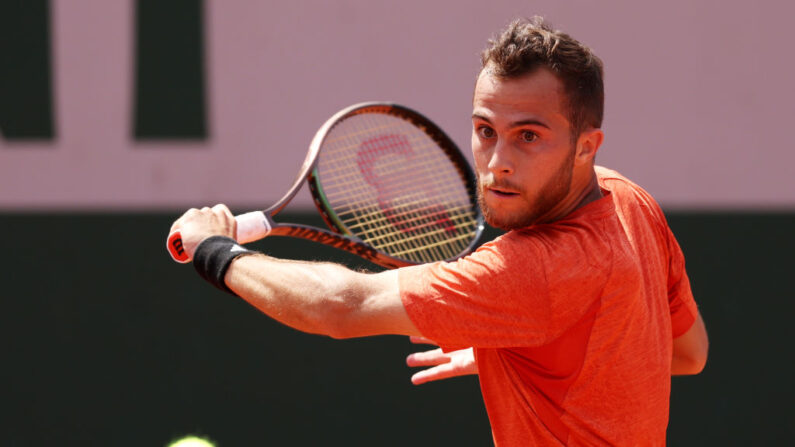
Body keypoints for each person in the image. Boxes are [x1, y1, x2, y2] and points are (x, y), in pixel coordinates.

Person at [170, 17, 708, 446]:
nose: (497, 162)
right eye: (484, 131)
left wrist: (215, 251)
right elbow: (687, 353)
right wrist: (528, 350)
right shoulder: (630, 200)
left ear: (587, 145)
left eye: (528, 136)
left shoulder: (530, 270)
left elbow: (339, 306)